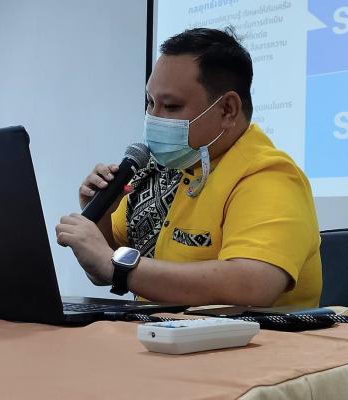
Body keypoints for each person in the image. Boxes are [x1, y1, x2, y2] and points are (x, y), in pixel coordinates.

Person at [56, 28, 322, 307]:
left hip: (244, 336)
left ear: (228, 110)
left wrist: (117, 266)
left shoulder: (269, 177)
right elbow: (101, 273)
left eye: (171, 106)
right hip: (153, 330)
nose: (153, 117)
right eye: (150, 103)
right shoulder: (158, 171)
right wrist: (99, 219)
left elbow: (252, 285)